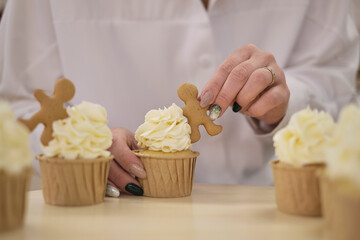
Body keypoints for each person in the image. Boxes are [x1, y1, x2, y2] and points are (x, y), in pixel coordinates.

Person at [0, 0, 358, 196]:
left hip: (269, 210)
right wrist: (83, 146)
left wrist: (286, 101)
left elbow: (341, 89)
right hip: (104, 219)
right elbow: (16, 106)